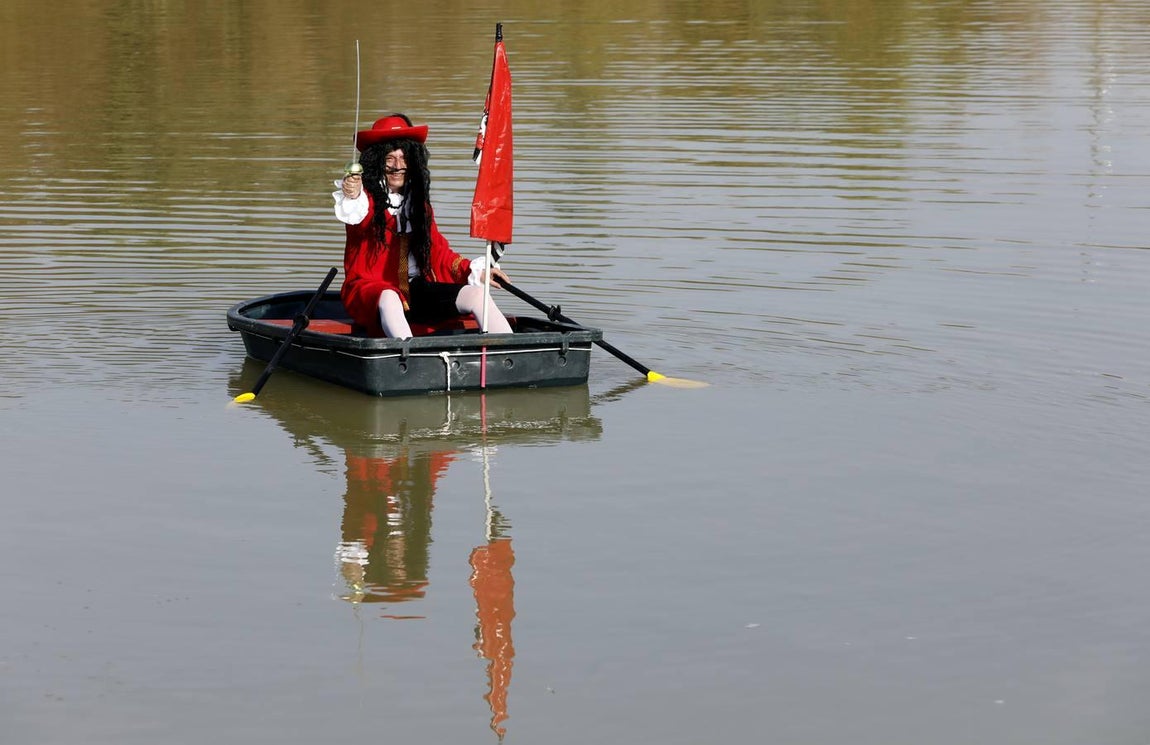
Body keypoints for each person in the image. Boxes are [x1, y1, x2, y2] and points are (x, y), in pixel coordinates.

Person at [332, 113, 513, 339]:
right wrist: (352, 191)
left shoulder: (419, 206)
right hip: (369, 292)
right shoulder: (362, 202)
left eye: (404, 158)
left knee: (477, 295)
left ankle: (512, 350)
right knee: (389, 296)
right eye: (389, 159)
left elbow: (439, 253)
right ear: (376, 161)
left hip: (415, 291)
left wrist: (476, 272)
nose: (398, 166)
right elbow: (356, 215)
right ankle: (407, 354)